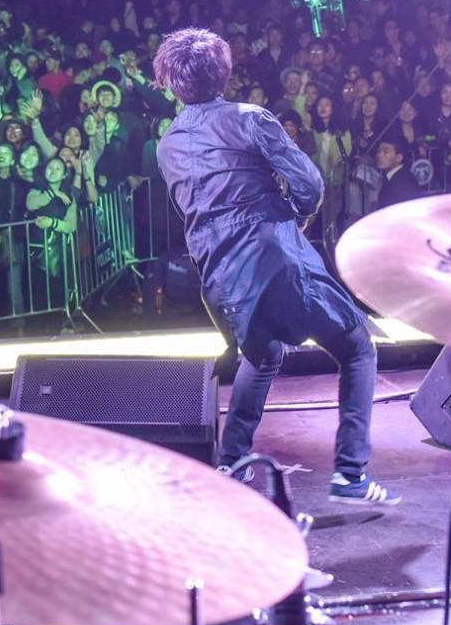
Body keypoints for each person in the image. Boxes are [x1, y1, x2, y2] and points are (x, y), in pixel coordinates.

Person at [152, 28, 393, 508]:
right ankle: (350, 475)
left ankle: (231, 463)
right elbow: (310, 184)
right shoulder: (249, 118)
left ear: (172, 83)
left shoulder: (168, 145)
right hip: (275, 260)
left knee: (261, 355)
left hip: (218, 278)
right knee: (357, 349)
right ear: (224, 73)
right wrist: (294, 217)